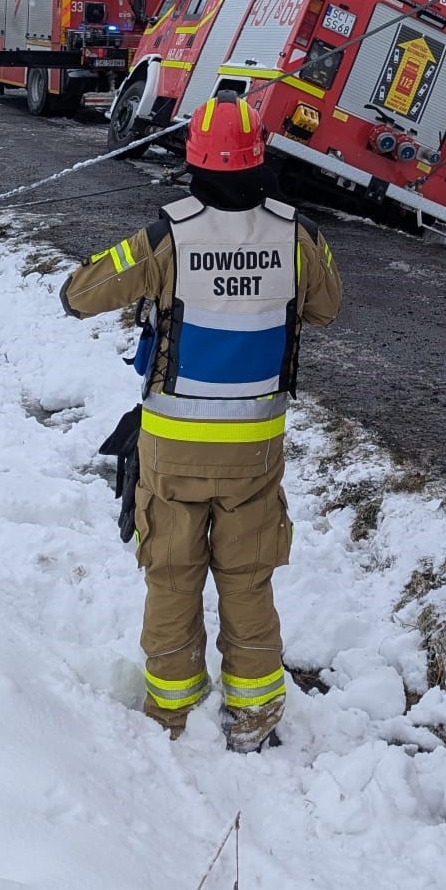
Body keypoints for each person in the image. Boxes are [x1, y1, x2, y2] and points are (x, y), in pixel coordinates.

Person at [61, 91, 342, 748]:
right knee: (247, 577)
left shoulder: (167, 235)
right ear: (260, 158)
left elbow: (79, 295)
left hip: (173, 450)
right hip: (255, 452)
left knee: (171, 574)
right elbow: (326, 306)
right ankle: (254, 713)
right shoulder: (299, 234)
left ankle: (173, 708)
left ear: (194, 160)